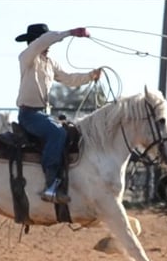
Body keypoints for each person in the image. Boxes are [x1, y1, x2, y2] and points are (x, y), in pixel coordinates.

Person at [14, 23, 101, 204]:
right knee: (57, 133)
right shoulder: (27, 57)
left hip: (43, 115)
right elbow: (44, 41)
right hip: (29, 115)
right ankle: (51, 184)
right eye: (45, 43)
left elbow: (68, 79)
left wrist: (90, 76)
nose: (49, 46)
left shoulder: (49, 64)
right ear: (36, 42)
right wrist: (70, 32)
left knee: (69, 132)